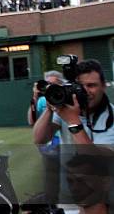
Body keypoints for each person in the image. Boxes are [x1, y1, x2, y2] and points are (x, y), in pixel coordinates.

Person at [34, 59, 114, 203]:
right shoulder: (67, 110)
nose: (85, 92)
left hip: (104, 201)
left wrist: (73, 121)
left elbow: (96, 160)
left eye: (91, 85)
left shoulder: (111, 116)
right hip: (69, 196)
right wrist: (51, 106)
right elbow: (40, 139)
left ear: (103, 86)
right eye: (80, 86)